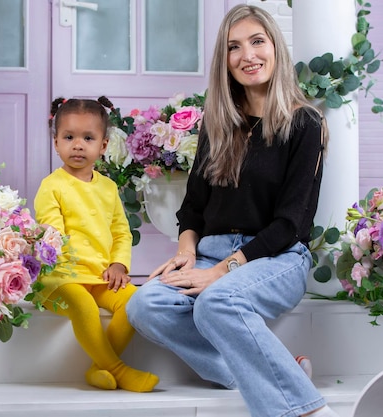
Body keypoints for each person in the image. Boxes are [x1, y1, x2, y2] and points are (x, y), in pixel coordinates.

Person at [126, 5, 338, 417]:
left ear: (275, 47)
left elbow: (292, 223)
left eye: (257, 41)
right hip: (210, 251)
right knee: (144, 305)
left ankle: (308, 412)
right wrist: (186, 254)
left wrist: (221, 272)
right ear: (224, 62)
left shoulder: (305, 123)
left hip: (276, 256)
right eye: (233, 47)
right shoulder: (218, 124)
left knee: (216, 303)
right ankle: (279, 374)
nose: (248, 56)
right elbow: (192, 209)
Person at [34, 97, 159, 393]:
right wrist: (65, 266)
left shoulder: (108, 187)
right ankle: (118, 369)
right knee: (84, 306)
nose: (78, 145)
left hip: (100, 275)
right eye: (69, 137)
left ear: (103, 146)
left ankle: (98, 368)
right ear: (56, 143)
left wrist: (118, 263)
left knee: (133, 302)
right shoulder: (51, 186)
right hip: (61, 279)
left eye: (87, 138)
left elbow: (120, 231)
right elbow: (52, 234)